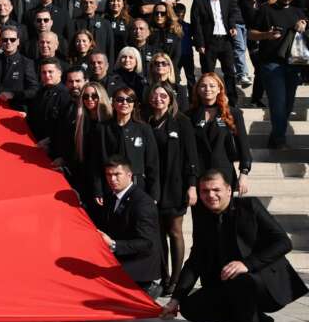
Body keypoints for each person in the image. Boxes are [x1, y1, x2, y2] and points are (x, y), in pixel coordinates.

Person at [161, 170, 308, 322]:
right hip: (226, 283)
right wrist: (176, 299)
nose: (210, 195)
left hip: (263, 280)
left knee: (239, 277)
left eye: (216, 190)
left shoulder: (250, 206)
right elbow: (195, 260)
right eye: (205, 191)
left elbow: (283, 242)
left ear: (229, 190)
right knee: (190, 307)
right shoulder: (203, 216)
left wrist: (247, 264)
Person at [147, 82, 199, 296]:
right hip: (153, 186)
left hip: (175, 186)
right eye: (155, 95)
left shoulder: (182, 121)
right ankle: (164, 276)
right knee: (158, 234)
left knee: (174, 231)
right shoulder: (147, 121)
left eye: (163, 95)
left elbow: (191, 155)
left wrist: (192, 185)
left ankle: (176, 279)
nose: (158, 98)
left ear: (170, 99)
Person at [247, 0, 307, 149]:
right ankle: (280, 140)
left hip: (294, 64)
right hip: (271, 64)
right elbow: (250, 34)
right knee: (278, 103)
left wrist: (304, 24)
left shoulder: (298, 12)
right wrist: (266, 35)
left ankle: (275, 137)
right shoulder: (266, 10)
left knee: (288, 104)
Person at [98, 158, 162, 298]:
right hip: (120, 255)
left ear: (129, 175)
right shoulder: (110, 197)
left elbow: (147, 243)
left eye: (117, 174)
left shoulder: (142, 203)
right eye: (109, 175)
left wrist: (114, 245)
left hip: (139, 262)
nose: (112, 179)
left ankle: (148, 288)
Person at [188, 72, 252, 194]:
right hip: (199, 176)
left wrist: (244, 174)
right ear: (197, 90)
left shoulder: (233, 113)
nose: (208, 89)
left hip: (224, 174)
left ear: (219, 89)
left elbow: (243, 146)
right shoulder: (189, 116)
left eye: (212, 86)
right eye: (203, 86)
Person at [190, 0, 243, 104]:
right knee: (208, 73)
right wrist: (199, 44)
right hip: (209, 42)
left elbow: (231, 14)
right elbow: (196, 24)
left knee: (230, 72)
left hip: (225, 40)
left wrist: (232, 26)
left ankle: (232, 100)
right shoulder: (199, 1)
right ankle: (207, 100)